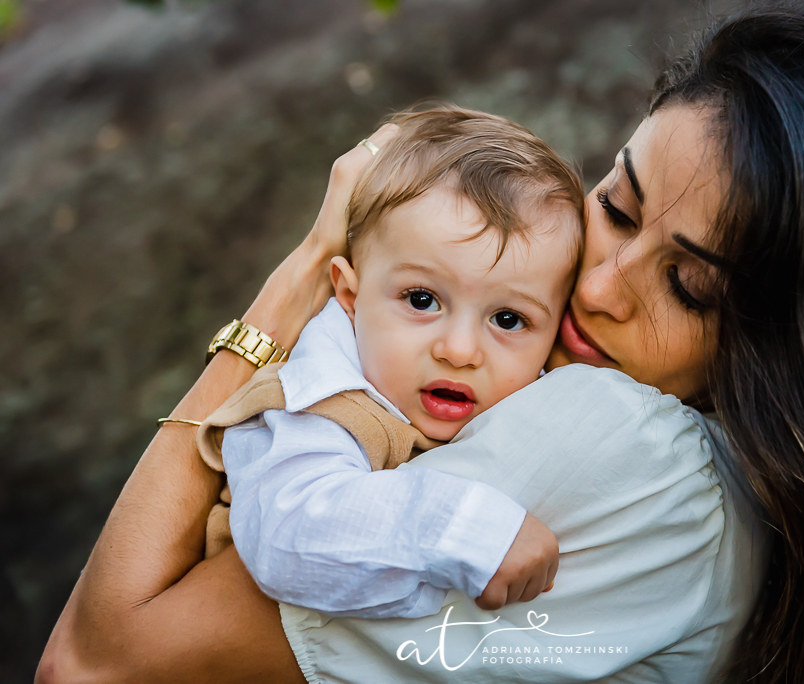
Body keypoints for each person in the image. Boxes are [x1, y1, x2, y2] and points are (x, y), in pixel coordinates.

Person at [36, 3, 804, 683]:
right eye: (617, 205)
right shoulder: (792, 520)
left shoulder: (617, 446)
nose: (596, 288)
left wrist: (292, 284)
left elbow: (92, 661)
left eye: (689, 288)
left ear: (803, 359)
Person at [204, 106, 583, 618]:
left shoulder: (538, 394)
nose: (460, 350)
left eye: (509, 319)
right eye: (422, 300)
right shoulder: (320, 401)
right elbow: (289, 534)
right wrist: (463, 527)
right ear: (350, 295)